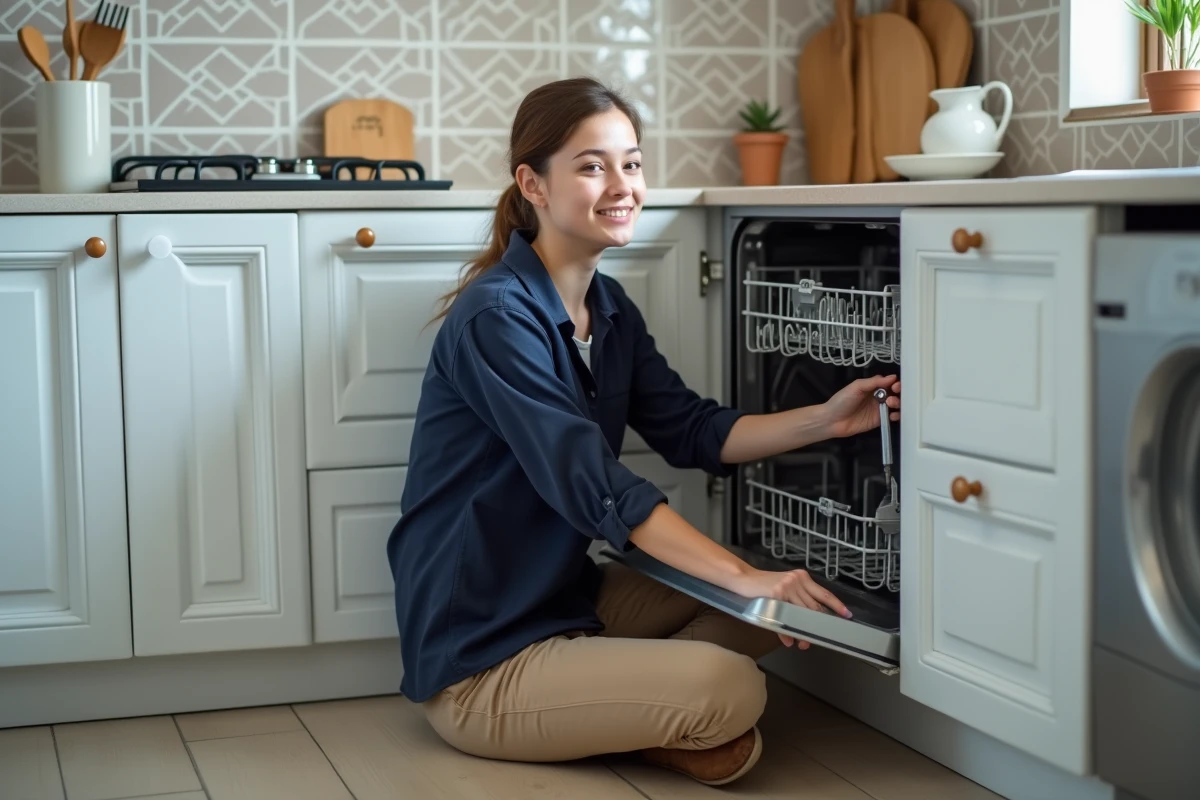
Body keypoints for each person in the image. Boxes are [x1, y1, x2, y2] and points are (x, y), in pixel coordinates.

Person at [386, 77, 901, 786]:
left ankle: (619, 703)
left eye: (630, 163)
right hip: (484, 654)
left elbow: (693, 431)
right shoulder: (497, 318)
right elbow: (599, 489)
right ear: (532, 184)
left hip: (567, 600)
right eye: (592, 166)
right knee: (734, 686)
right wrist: (751, 577)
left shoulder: (608, 306)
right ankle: (631, 707)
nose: (621, 184)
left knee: (778, 610)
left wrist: (826, 419)